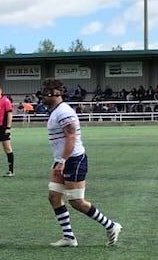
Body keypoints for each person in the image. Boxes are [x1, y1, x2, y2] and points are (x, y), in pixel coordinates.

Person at [39, 79, 122, 248]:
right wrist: (58, 160)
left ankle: (111, 226)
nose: (42, 97)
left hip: (73, 160)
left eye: (45, 93)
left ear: (55, 93)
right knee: (54, 196)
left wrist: (62, 161)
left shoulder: (63, 111)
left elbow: (71, 137)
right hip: (61, 160)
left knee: (76, 201)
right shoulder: (56, 111)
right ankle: (69, 237)